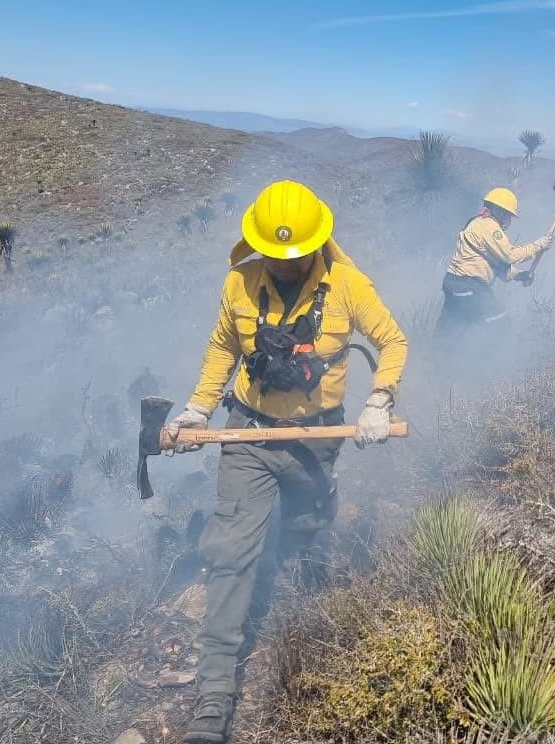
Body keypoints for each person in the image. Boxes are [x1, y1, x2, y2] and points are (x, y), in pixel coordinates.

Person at [163, 180, 408, 744]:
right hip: (247, 434)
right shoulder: (240, 282)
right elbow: (224, 347)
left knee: (307, 526)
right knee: (231, 554)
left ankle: (312, 611)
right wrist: (199, 409)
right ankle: (214, 697)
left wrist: (379, 398)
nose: (288, 265)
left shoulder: (347, 284)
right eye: (278, 256)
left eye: (296, 256)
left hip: (318, 438)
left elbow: (392, 341)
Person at [435, 187, 552, 337]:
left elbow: (498, 266)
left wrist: (519, 275)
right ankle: (500, 357)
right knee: (500, 323)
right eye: (507, 214)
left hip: (453, 283)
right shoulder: (488, 226)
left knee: (450, 331)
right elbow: (510, 255)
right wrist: (538, 245)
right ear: (499, 211)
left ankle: (436, 358)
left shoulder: (479, 223)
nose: (508, 219)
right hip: (470, 285)